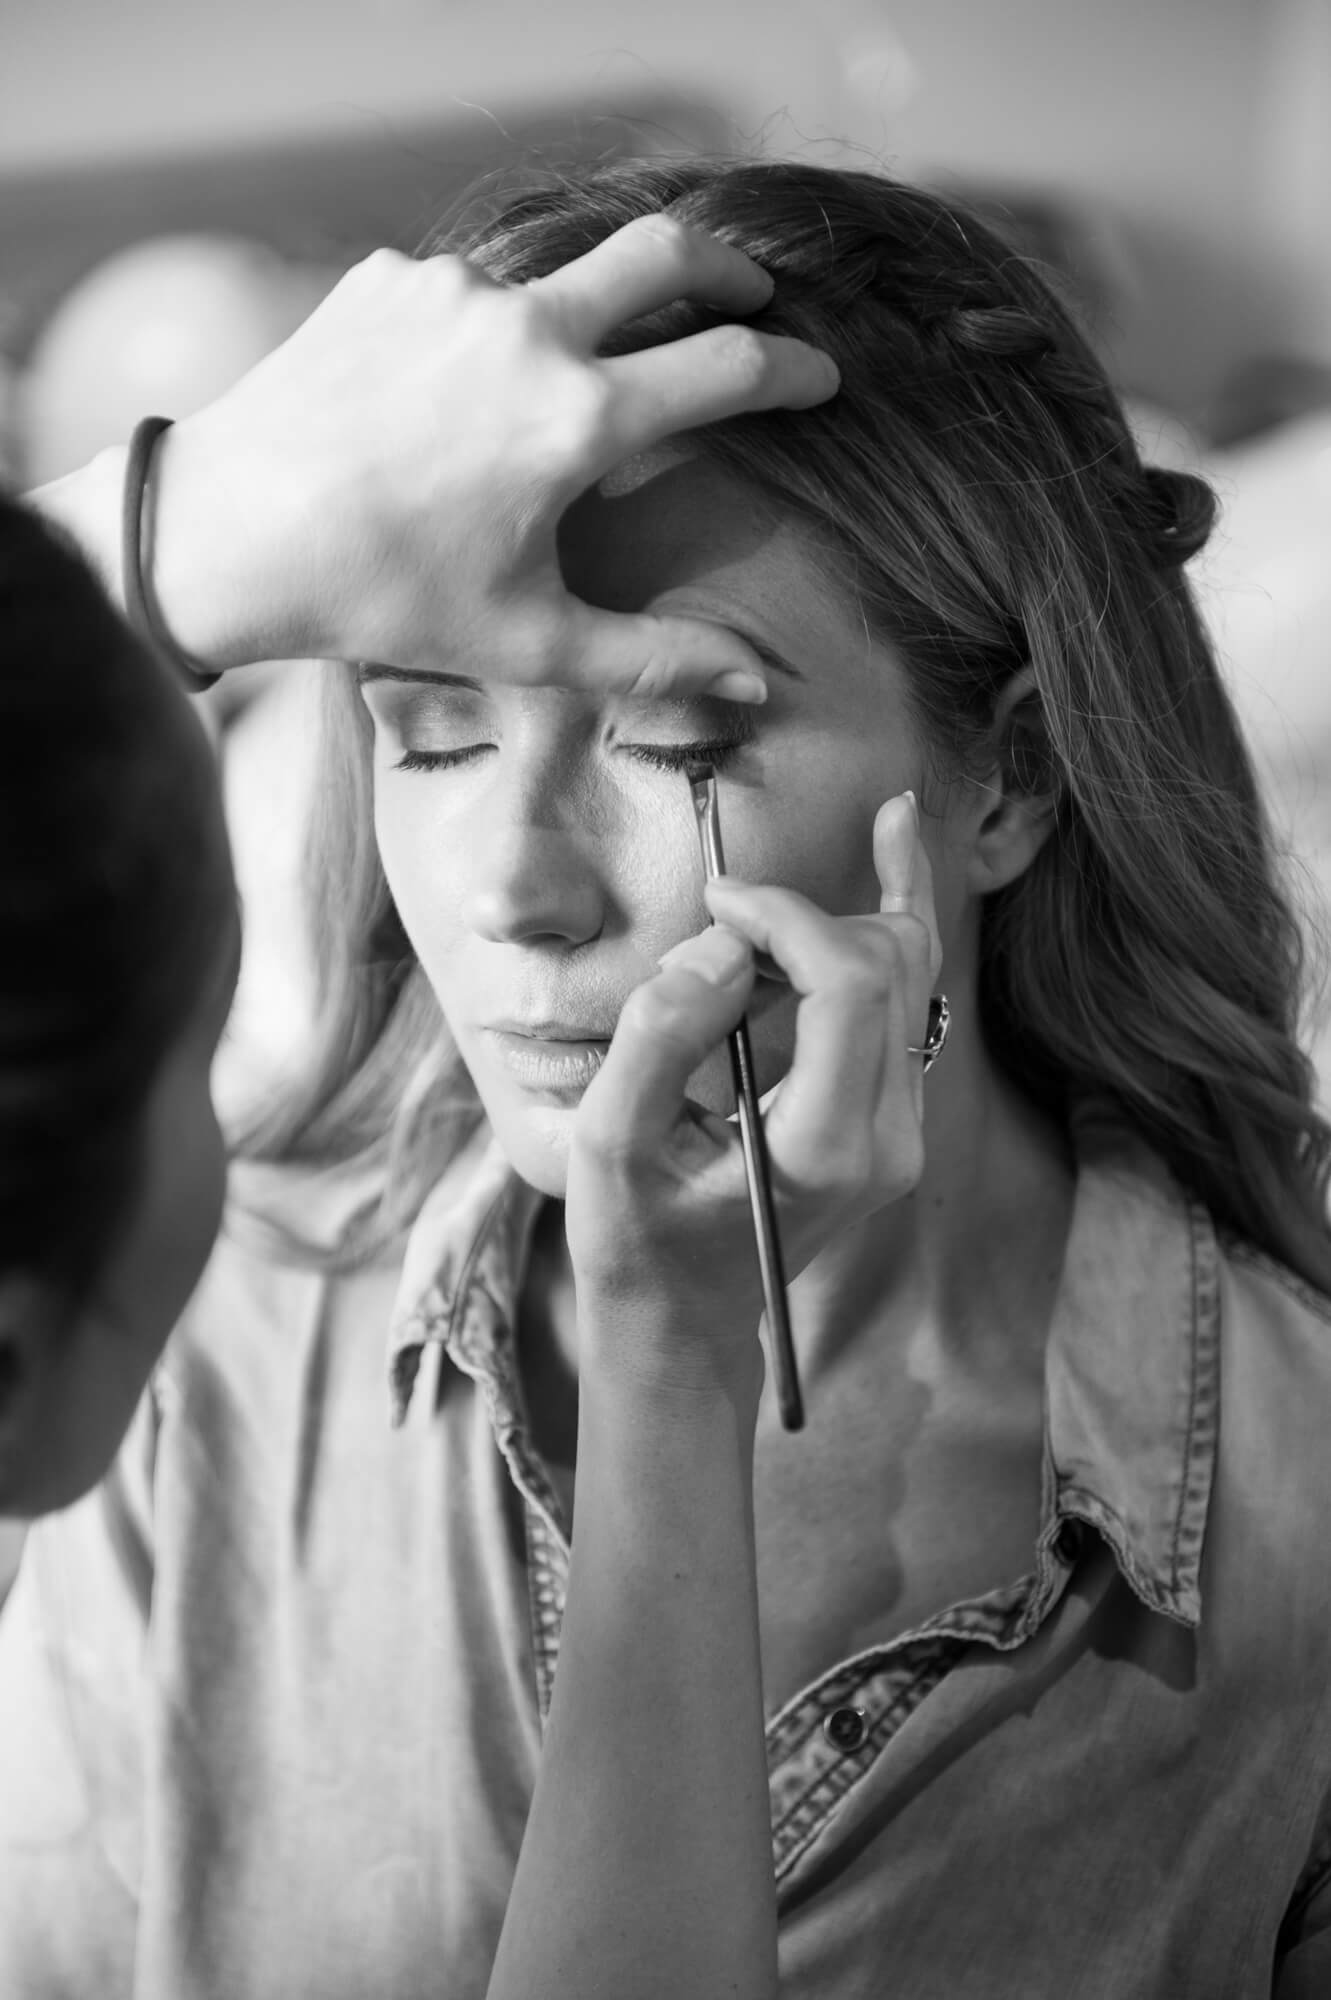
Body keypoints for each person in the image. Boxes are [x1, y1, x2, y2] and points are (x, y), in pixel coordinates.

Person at [3, 156, 1331, 1999]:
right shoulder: (203, 1345)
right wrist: (178, 524)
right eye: (433, 734)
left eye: (676, 734)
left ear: (1010, 784)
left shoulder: (1304, 1516)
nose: (516, 892)